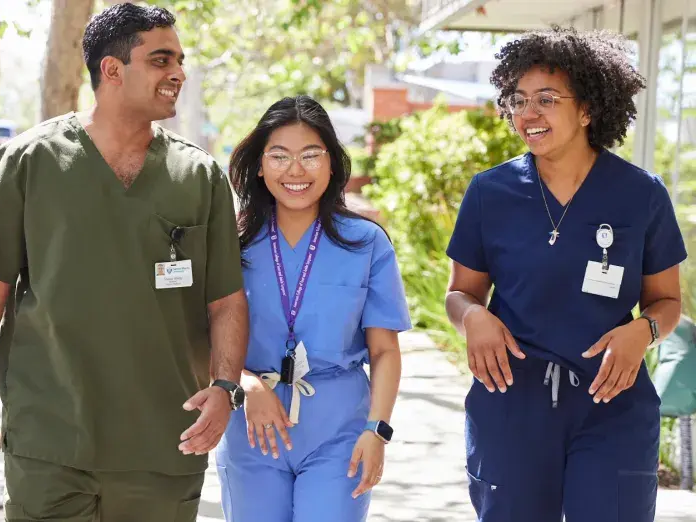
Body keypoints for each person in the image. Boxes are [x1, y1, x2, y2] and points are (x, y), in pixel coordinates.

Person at [0, 4, 249, 521]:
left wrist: (225, 389)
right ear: (112, 69)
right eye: (161, 59)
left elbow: (226, 301)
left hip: (164, 445)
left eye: (180, 60)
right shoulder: (29, 162)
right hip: (51, 443)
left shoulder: (200, 177)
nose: (179, 73)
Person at [445, 26, 687, 522]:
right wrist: (473, 318)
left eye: (546, 99)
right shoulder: (490, 193)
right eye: (518, 99)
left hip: (611, 405)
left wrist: (644, 331)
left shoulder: (641, 194)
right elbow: (460, 294)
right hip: (511, 403)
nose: (527, 113)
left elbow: (667, 301)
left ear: (587, 109)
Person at [215, 95, 412, 522]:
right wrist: (246, 385)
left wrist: (376, 430)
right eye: (279, 156)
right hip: (253, 427)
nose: (295, 171)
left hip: (339, 431)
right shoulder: (229, 242)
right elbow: (202, 335)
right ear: (260, 165)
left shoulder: (367, 243)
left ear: (332, 163)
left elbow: (384, 351)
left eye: (310, 155)